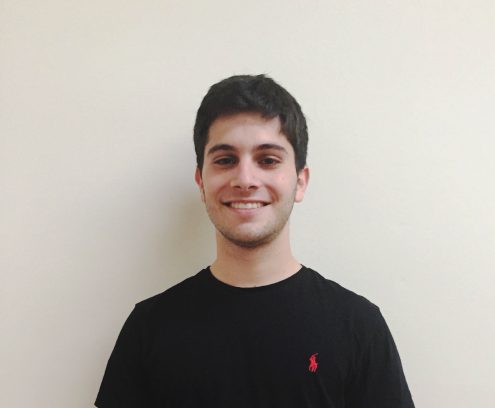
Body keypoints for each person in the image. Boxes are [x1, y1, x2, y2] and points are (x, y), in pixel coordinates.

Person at [95, 74, 415, 407]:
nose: (245, 180)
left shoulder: (358, 327)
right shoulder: (149, 328)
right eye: (225, 160)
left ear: (300, 181)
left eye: (268, 160)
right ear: (201, 182)